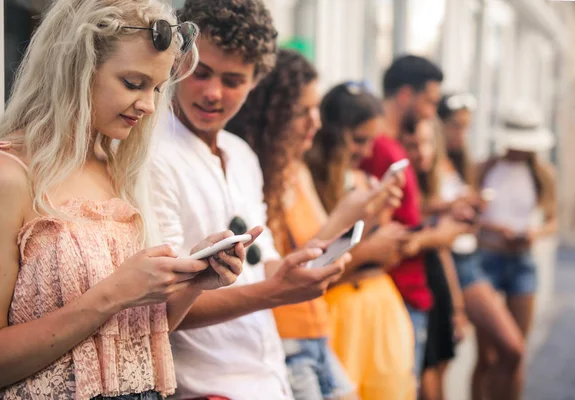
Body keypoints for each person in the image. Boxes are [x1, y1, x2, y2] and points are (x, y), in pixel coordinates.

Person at [0, 1, 251, 399]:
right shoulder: (10, 174)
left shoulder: (118, 167)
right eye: (133, 84)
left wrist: (194, 283)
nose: (149, 106)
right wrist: (114, 293)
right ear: (73, 70)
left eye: (156, 88)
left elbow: (128, 346)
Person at [149, 2, 349, 399]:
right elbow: (162, 307)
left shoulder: (241, 154)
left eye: (233, 80)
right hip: (202, 387)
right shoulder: (152, 154)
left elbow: (263, 264)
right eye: (200, 72)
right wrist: (277, 291)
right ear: (177, 62)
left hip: (268, 376)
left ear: (256, 80)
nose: (212, 93)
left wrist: (303, 267)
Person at [226, 51, 407, 400]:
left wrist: (367, 213)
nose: (315, 122)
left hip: (317, 329)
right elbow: (282, 269)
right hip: (287, 337)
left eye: (316, 110)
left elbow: (327, 254)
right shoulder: (260, 177)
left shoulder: (298, 171)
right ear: (272, 115)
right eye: (302, 112)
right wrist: (346, 216)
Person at [306, 81, 417, 400]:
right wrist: (368, 250)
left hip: (380, 309)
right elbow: (309, 269)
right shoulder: (304, 182)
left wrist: (380, 224)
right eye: (359, 140)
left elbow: (388, 255)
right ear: (332, 132)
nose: (367, 152)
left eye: (371, 141)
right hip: (336, 317)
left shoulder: (363, 181)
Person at [360, 55, 465, 381]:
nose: (431, 113)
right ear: (406, 95)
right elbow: (380, 236)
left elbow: (403, 218)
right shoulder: (383, 149)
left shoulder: (391, 147)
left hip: (405, 291)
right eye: (430, 102)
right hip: (398, 292)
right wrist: (440, 236)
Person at [436, 93, 530, 400]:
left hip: (470, 258)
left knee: (511, 349)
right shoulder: (430, 158)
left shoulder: (463, 162)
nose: (460, 134)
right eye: (455, 126)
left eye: (466, 127)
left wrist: (471, 212)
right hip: (450, 261)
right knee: (447, 365)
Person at [474, 102, 558, 400]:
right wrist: (497, 229)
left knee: (515, 353)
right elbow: (470, 214)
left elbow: (552, 219)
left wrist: (534, 233)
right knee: (486, 356)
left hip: (522, 262)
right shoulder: (485, 168)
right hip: (487, 258)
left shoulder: (542, 173)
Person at [400, 117, 469, 400]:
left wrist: (457, 305)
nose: (422, 152)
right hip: (413, 289)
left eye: (428, 143)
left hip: (435, 285)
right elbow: (410, 243)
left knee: (440, 369)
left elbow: (441, 251)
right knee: (425, 378)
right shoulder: (403, 185)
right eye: (413, 145)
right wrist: (441, 232)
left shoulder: (429, 186)